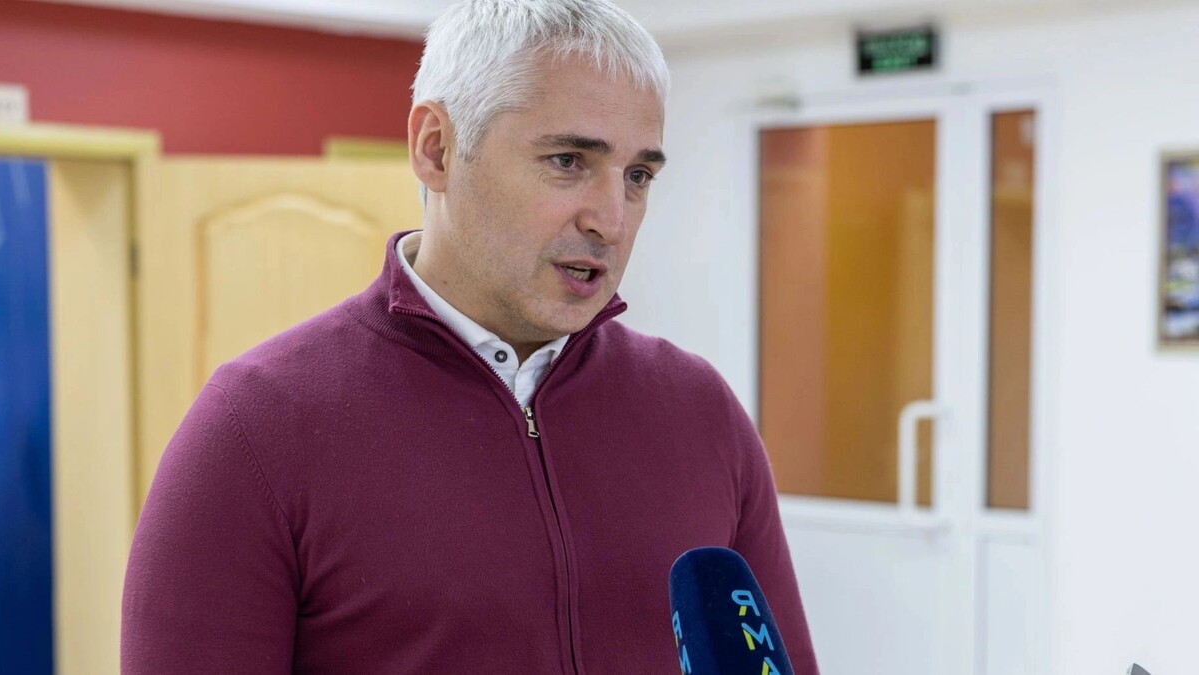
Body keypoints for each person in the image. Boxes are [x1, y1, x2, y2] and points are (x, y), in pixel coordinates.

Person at [121, 0, 820, 672]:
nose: (611, 219)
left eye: (637, 175)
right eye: (568, 161)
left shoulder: (700, 412)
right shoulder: (255, 427)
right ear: (436, 149)